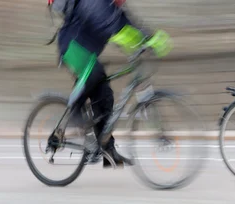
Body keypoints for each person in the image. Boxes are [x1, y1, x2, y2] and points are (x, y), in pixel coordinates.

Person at [48, 0, 172, 167]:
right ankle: (74, 113)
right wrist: (142, 43)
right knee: (94, 73)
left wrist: (149, 39)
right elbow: (113, 28)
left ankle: (107, 149)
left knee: (105, 97)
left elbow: (131, 26)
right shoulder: (95, 3)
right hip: (72, 47)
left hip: (88, 53)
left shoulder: (116, 9)